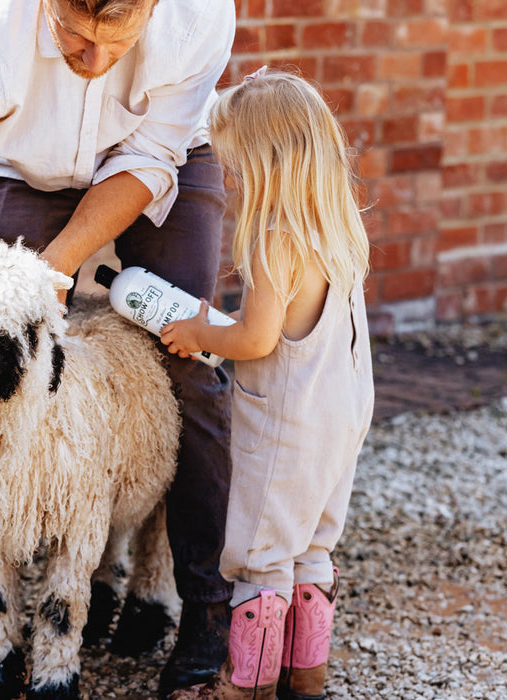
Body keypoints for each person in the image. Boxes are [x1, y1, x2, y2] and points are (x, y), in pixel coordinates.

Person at [0, 0, 236, 696]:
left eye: (118, 41)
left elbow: (150, 156)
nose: (94, 62)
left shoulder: (197, 13)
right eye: (74, 35)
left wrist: (50, 273)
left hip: (161, 160)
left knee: (188, 363)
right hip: (23, 165)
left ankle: (209, 605)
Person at [159, 69, 375, 700]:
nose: (231, 181)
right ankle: (305, 681)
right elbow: (290, 327)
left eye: (237, 168)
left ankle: (242, 689)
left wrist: (199, 332)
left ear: (266, 162)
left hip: (288, 422)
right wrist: (220, 324)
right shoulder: (338, 227)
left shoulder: (275, 239)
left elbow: (255, 341)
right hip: (342, 412)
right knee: (310, 547)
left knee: (259, 556)